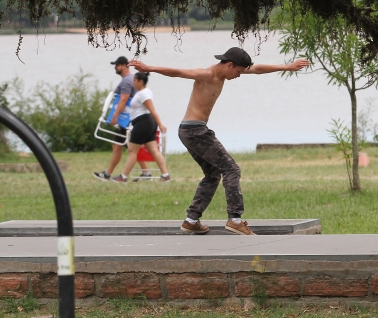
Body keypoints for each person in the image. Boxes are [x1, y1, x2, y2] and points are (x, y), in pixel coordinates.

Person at [130, 48, 310, 235]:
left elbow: (257, 69)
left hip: (190, 131)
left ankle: (192, 220)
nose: (239, 76)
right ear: (229, 65)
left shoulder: (225, 73)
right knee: (231, 169)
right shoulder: (206, 74)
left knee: (213, 174)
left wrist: (288, 66)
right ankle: (235, 220)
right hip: (195, 131)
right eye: (239, 72)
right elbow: (176, 72)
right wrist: (147, 67)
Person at [93, 56, 151, 181]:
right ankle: (146, 173)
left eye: (117, 65)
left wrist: (114, 116)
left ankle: (108, 174)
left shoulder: (126, 81)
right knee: (130, 146)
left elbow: (124, 99)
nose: (115, 67)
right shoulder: (131, 79)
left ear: (124, 66)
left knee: (118, 146)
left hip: (124, 119)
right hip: (132, 118)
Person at [111, 72, 171, 182]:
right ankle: (165, 175)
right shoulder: (143, 92)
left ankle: (123, 177)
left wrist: (161, 124)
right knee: (153, 151)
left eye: (134, 80)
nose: (133, 82)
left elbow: (152, 109)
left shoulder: (143, 94)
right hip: (146, 123)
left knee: (132, 151)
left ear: (140, 81)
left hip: (143, 123)